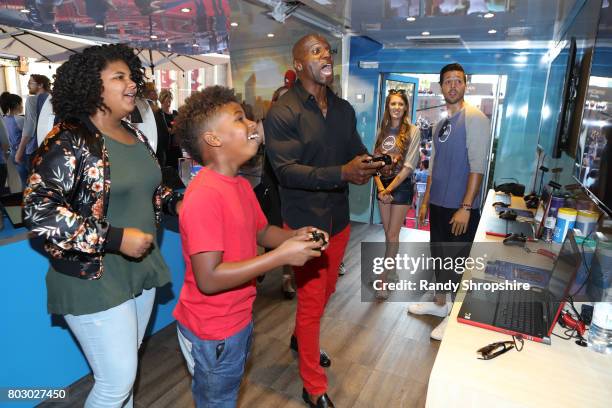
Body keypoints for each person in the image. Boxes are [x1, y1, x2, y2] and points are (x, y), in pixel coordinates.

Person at [22, 44, 183, 407]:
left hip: (138, 272)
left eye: (132, 76)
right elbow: (38, 210)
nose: (132, 84)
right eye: (119, 77)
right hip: (91, 277)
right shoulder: (68, 139)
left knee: (123, 381)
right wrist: (114, 238)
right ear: (93, 88)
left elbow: (152, 190)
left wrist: (177, 202)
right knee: (116, 381)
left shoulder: (136, 135)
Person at [171, 86, 326, 407]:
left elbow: (263, 231)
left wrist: (296, 236)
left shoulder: (240, 184)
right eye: (240, 118)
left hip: (237, 319)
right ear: (214, 139)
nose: (252, 124)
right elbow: (209, 278)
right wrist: (280, 258)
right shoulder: (203, 196)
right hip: (213, 331)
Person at [265, 34, 383, 407]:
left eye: (328, 50)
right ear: (299, 64)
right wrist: (343, 174)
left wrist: (372, 162)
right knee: (313, 302)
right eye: (316, 51)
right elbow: (286, 172)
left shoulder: (344, 109)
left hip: (340, 220)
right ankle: (312, 385)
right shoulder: (282, 112)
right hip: (304, 225)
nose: (326, 55)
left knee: (326, 292)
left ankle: (303, 339)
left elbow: (355, 152)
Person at [410, 63, 491, 340]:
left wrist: (466, 208)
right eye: (448, 81)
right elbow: (433, 164)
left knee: (457, 264)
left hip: (460, 208)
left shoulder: (475, 118)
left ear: (465, 85)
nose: (453, 86)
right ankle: (439, 303)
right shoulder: (441, 124)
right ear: (441, 87)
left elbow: (477, 167)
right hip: (438, 204)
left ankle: (456, 317)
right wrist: (425, 201)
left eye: (458, 81)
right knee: (440, 257)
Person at [372, 89, 421, 298]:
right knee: (388, 235)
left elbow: (409, 166)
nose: (396, 108)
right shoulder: (381, 130)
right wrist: (381, 188)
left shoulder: (413, 130)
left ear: (406, 107)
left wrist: (390, 188)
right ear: (387, 107)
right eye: (393, 104)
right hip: (382, 187)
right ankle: (390, 270)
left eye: (400, 104)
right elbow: (373, 162)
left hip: (400, 187)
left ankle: (383, 279)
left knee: (393, 234)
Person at [14, 74, 51, 168]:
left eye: (30, 83)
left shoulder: (32, 100)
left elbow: (29, 127)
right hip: (50, 146)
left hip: (34, 148)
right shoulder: (53, 99)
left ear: (40, 85)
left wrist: (20, 150)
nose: (28, 85)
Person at [1, 93, 27, 187]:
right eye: (21, 103)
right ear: (16, 105)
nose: (22, 106)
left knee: (24, 181)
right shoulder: (20, 119)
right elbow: (30, 136)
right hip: (23, 153)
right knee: (30, 181)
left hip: (13, 153)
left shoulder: (3, 119)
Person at [159, 89, 181, 167]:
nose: (168, 104)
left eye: (169, 101)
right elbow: (167, 131)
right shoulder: (160, 115)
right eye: (166, 102)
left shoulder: (175, 113)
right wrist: (174, 128)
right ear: (161, 101)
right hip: (166, 149)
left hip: (177, 147)